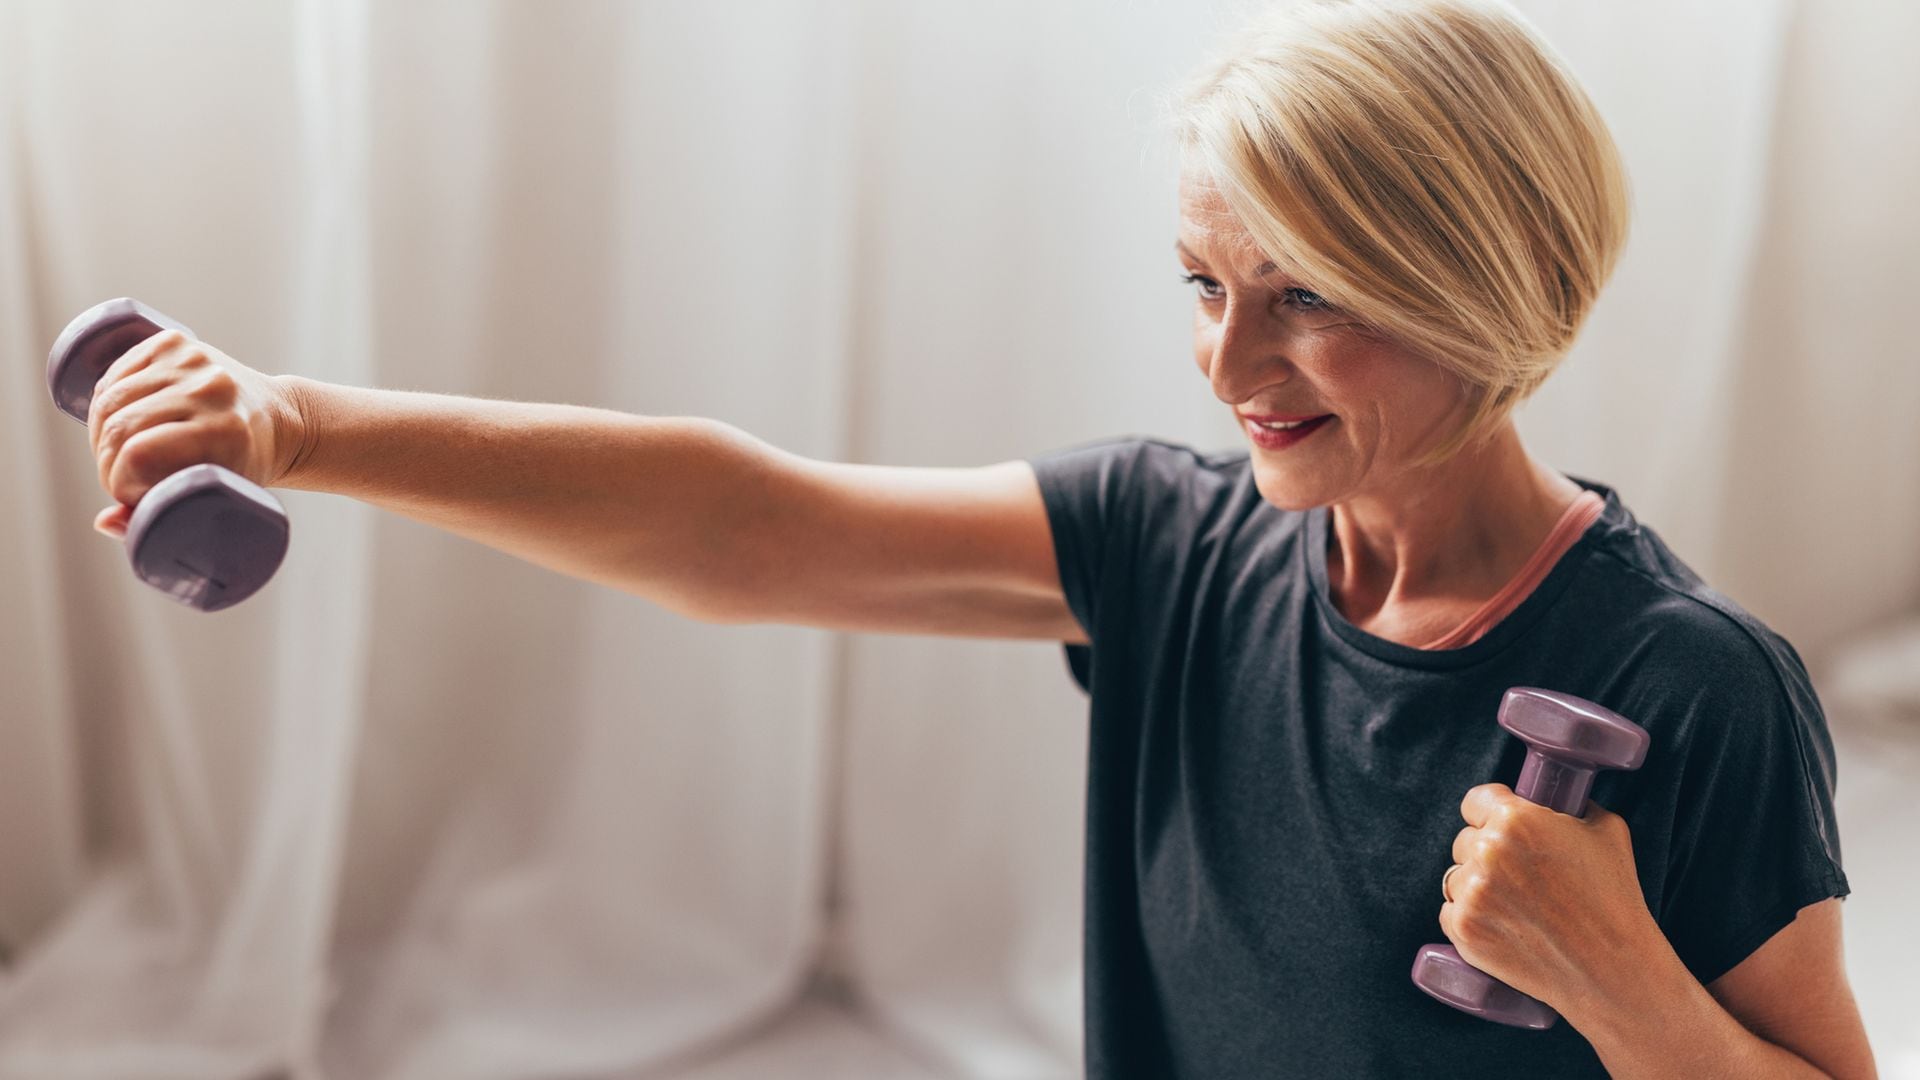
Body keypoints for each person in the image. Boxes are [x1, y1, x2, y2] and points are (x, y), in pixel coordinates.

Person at [78, 0, 1876, 1075]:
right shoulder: (1182, 550)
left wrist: (1622, 982)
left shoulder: (1689, 687)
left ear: (1482, 289)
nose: (1226, 363)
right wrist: (298, 425)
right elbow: (747, 528)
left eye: (1304, 299)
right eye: (1203, 284)